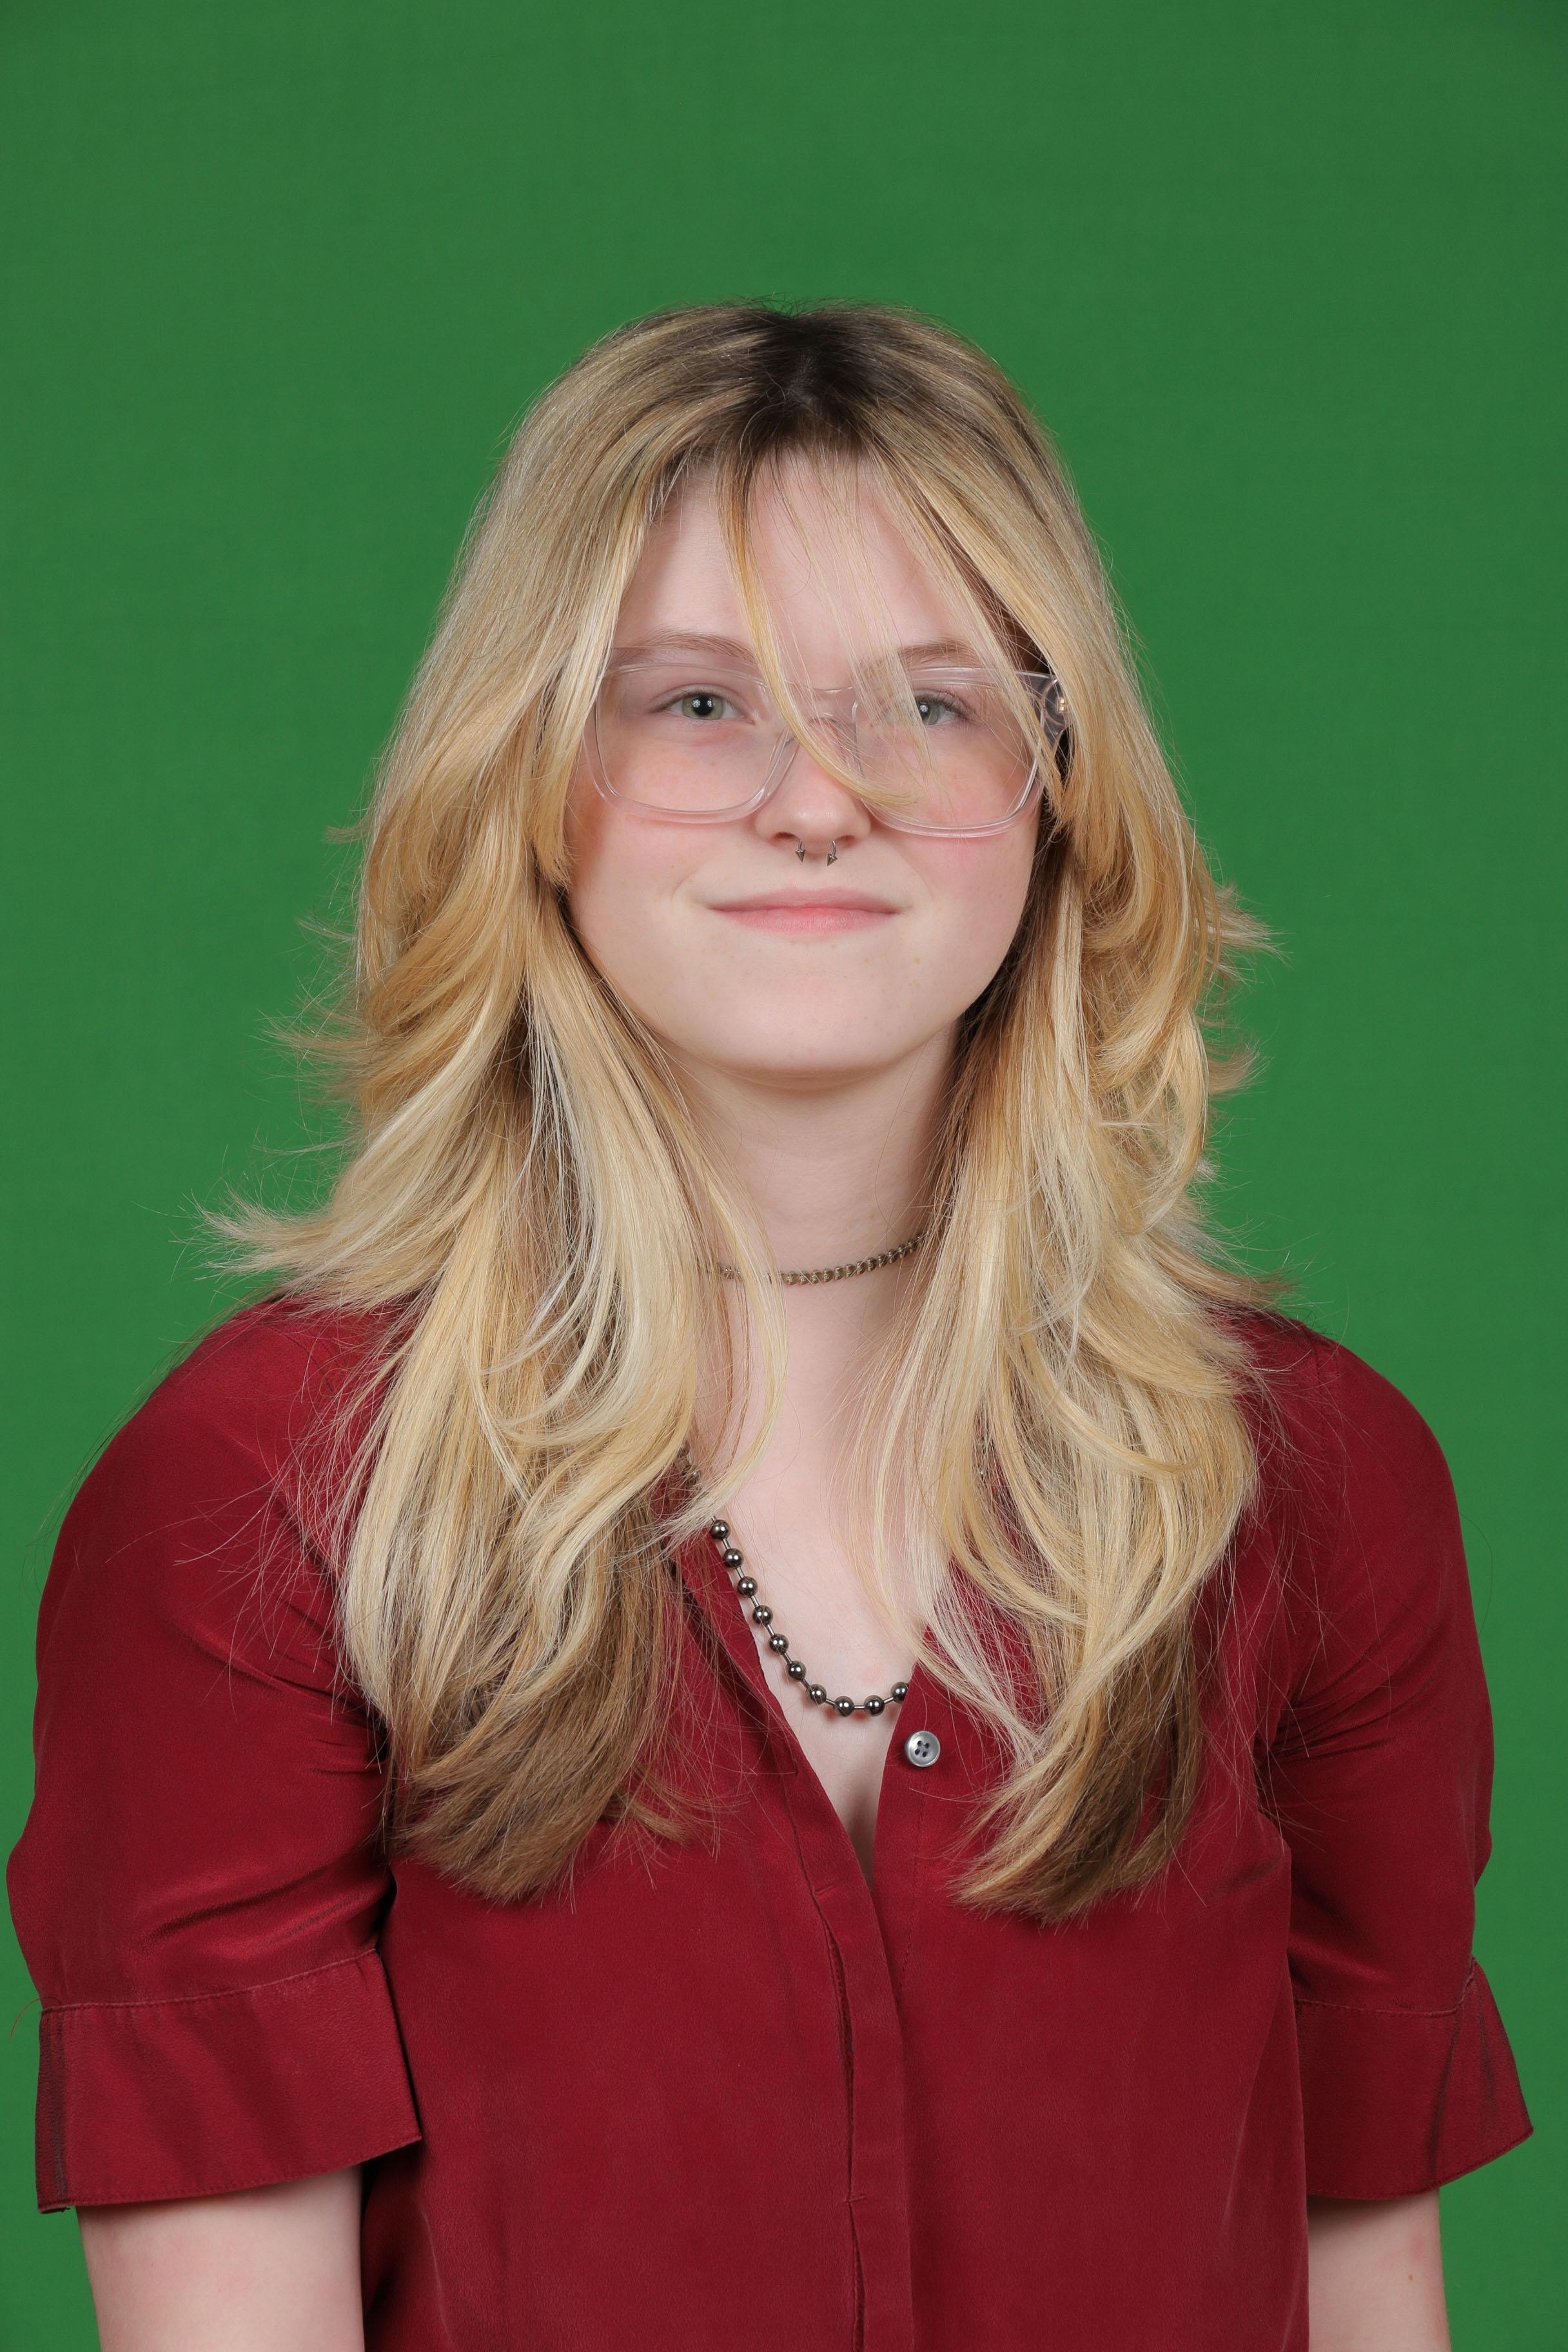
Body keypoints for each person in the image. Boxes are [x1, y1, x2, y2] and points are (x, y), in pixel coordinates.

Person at [8, 302, 1529, 2351]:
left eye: (932, 704)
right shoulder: (258, 1496)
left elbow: (1364, 2282)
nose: (821, 802)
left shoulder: (1316, 1488)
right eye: (700, 704)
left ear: (1061, 792)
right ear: (533, 783)